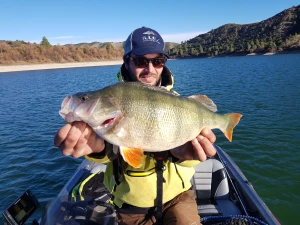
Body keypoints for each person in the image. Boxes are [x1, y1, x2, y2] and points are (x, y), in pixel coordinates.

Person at [54, 26, 216, 225]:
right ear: (127, 61)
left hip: (179, 198)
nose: (150, 69)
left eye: (158, 61)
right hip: (129, 205)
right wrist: (96, 150)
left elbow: (189, 153)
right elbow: (107, 149)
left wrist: (184, 157)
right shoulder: (113, 99)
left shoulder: (179, 104)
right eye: (141, 61)